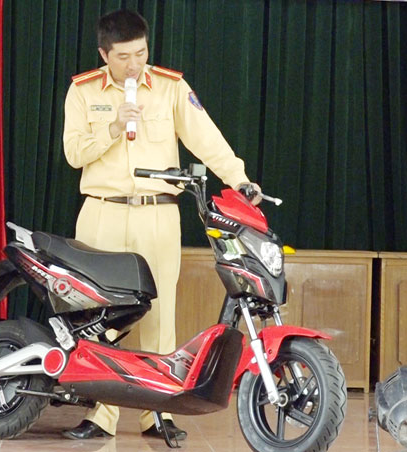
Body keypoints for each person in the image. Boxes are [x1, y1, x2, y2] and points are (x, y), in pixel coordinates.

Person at [62, 9, 260, 442]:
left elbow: (207, 139)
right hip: (102, 211)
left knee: (158, 314)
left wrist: (240, 179)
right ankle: (101, 414)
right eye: (123, 57)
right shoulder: (83, 90)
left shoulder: (170, 87)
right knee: (100, 315)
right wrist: (114, 126)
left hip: (157, 213)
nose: (134, 64)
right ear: (104, 55)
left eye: (141, 53)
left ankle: (157, 412)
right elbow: (74, 154)